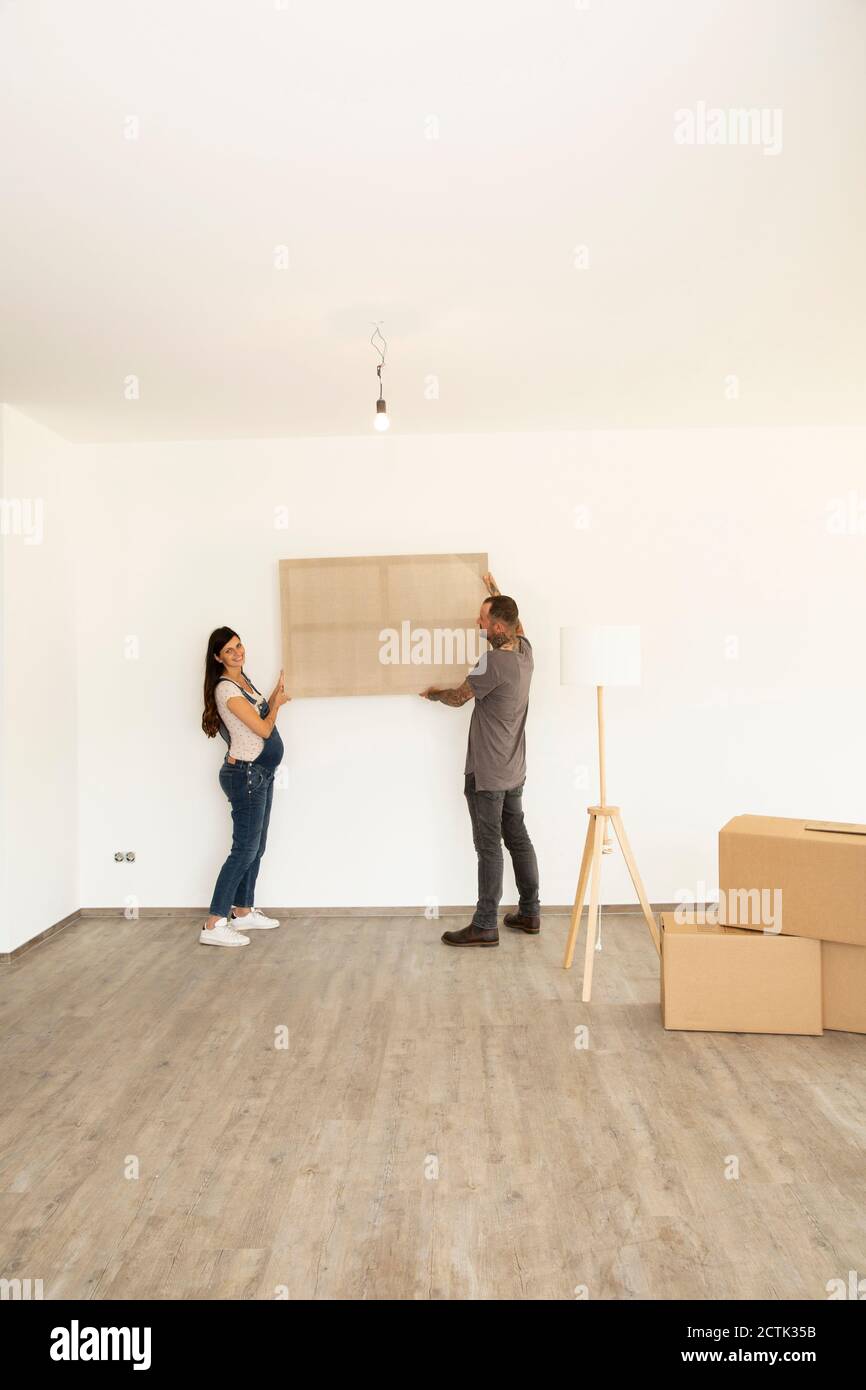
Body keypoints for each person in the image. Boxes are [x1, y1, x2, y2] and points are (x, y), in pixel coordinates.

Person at [421, 573, 540, 947]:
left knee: (489, 847)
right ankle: (530, 912)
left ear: (498, 626)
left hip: (488, 773)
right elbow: (516, 620)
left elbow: (458, 698)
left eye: (484, 619)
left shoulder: (491, 663)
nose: (478, 623)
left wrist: (433, 693)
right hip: (513, 769)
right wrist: (495, 591)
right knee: (517, 840)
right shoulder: (524, 652)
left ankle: (485, 924)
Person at [200, 627, 291, 947]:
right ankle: (213, 923)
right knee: (244, 850)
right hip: (246, 777)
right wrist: (277, 702)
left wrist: (272, 696)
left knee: (257, 847)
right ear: (217, 658)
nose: (237, 652)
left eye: (238, 645)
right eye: (228, 650)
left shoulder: (243, 681)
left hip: (261, 774)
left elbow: (257, 719)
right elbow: (264, 729)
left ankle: (242, 910)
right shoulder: (226, 690)